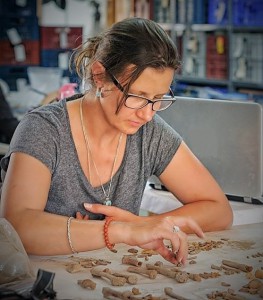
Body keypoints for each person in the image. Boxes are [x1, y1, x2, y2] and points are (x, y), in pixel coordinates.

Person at [0, 18, 233, 264]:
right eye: (137, 96)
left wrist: (145, 225)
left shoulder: (150, 132)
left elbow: (218, 210)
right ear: (99, 76)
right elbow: (17, 226)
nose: (147, 114)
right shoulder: (44, 129)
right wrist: (124, 232)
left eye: (158, 98)